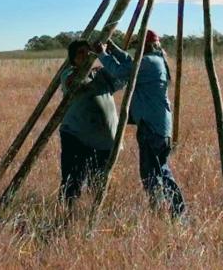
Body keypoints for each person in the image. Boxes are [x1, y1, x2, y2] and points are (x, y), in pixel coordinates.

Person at [96, 30, 186, 217]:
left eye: (139, 46)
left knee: (151, 173)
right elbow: (130, 61)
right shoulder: (155, 60)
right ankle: (176, 211)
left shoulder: (147, 62)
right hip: (158, 126)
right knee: (161, 170)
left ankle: (160, 210)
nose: (137, 49)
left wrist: (102, 54)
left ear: (146, 46)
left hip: (151, 127)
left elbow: (121, 71)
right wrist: (115, 50)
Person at [58, 39, 124, 205]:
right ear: (73, 58)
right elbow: (73, 84)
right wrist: (89, 68)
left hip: (104, 140)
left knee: (98, 183)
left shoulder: (101, 73)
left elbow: (124, 73)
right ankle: (67, 215)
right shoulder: (69, 73)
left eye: (89, 52)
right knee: (73, 182)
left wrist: (109, 53)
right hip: (76, 136)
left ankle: (92, 214)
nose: (87, 55)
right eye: (81, 53)